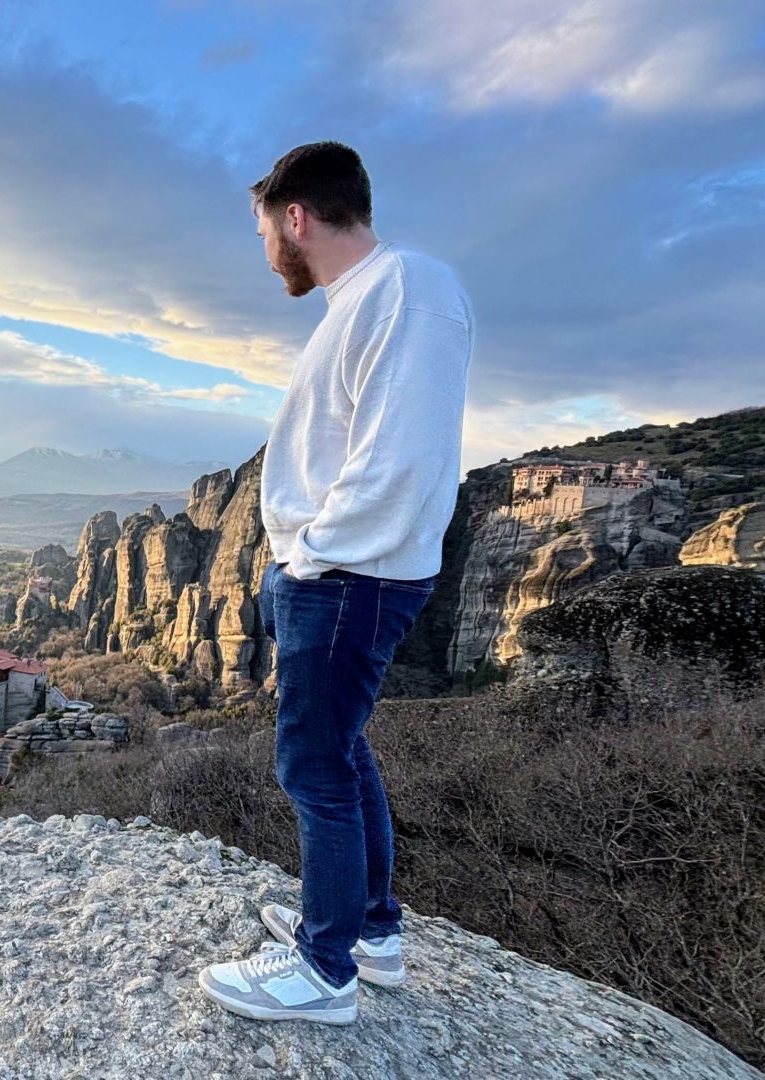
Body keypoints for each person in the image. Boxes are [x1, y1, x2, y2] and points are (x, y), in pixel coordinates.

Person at [199, 141, 474, 1025]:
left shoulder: (408, 289)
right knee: (344, 749)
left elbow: (401, 457)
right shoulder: (365, 299)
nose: (265, 252)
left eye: (262, 231)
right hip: (335, 572)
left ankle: (324, 972)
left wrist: (310, 555)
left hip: (349, 576)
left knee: (312, 764)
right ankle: (370, 933)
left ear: (295, 217)